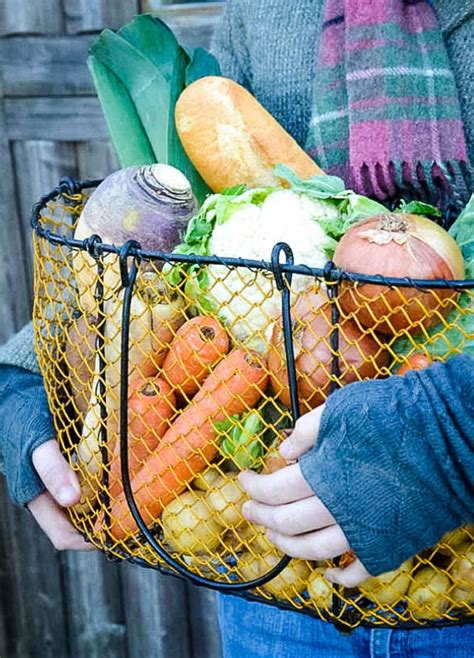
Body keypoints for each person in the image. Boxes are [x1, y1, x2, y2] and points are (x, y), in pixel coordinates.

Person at [0, 0, 473, 656]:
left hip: (460, 570)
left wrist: (454, 434)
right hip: (272, 570)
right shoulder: (267, 8)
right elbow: (173, 224)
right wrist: (29, 372)